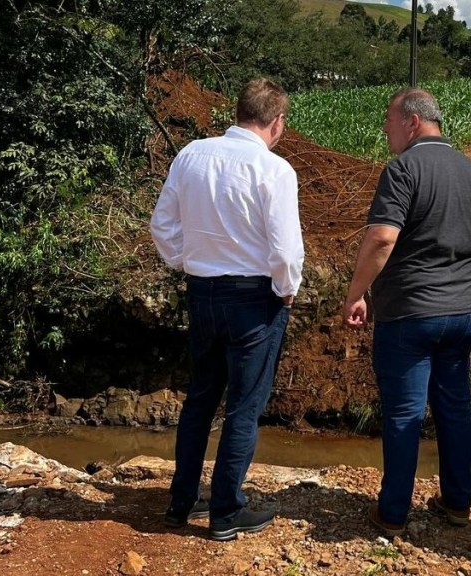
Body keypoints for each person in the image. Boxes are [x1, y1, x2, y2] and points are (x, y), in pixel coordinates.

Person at [150, 77, 304, 542]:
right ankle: (225, 511)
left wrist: (186, 261)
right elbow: (285, 250)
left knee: (200, 398)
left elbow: (162, 225)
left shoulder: (191, 154)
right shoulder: (275, 171)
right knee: (243, 404)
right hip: (254, 298)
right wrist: (286, 289)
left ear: (238, 112)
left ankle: (181, 502)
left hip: (203, 292)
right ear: (276, 123)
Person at [343, 88, 471, 537]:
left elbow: (383, 238)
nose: (385, 129)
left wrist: (356, 292)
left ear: (411, 121)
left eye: (389, 120)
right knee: (454, 408)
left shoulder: (403, 169)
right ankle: (458, 502)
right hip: (464, 309)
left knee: (404, 413)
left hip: (411, 311)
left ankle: (392, 513)